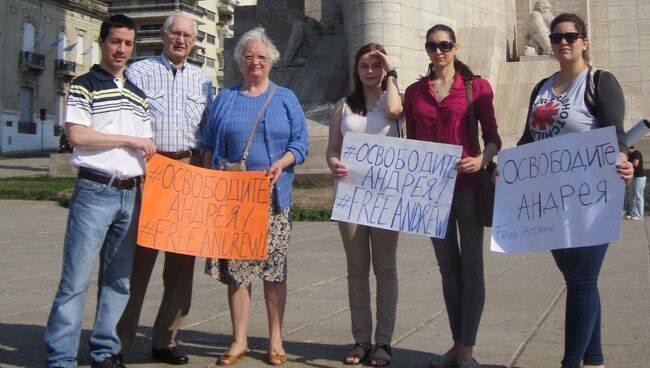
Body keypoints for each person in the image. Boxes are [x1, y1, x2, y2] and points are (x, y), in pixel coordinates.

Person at [517, 13, 634, 368]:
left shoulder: (599, 81)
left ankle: (570, 363)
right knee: (578, 279)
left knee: (582, 280)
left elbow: (615, 132)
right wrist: (505, 168)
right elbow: (528, 139)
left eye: (571, 36)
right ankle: (594, 360)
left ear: (584, 41)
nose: (563, 42)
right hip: (552, 201)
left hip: (591, 198)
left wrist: (624, 158)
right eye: (556, 38)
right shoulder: (541, 88)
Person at [43, 14, 156, 368]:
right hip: (96, 189)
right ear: (104, 42)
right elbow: (77, 135)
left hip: (131, 194)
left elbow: (146, 148)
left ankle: (105, 350)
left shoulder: (139, 95)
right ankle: (61, 356)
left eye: (128, 43)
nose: (122, 49)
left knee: (119, 280)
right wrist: (129, 138)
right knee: (75, 278)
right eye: (115, 42)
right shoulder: (84, 84)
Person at [200, 26, 308, 366]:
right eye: (249, 56)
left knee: (274, 270)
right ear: (239, 61)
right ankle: (239, 339)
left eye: (262, 57)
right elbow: (207, 143)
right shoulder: (225, 98)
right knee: (237, 271)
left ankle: (276, 338)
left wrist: (283, 162)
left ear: (272, 61)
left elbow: (300, 144)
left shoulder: (286, 98)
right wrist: (208, 185)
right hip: (233, 200)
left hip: (274, 198)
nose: (255, 62)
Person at [115, 12, 213, 366]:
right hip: (149, 171)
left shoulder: (204, 81)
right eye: (176, 33)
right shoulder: (139, 72)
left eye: (188, 36)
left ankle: (165, 339)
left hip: (188, 172)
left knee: (181, 264)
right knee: (137, 263)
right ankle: (119, 342)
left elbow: (206, 133)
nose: (181, 41)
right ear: (163, 34)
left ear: (195, 41)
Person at [404, 24, 501, 368]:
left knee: (472, 269)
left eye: (444, 45)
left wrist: (482, 158)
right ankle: (457, 345)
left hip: (468, 190)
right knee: (449, 272)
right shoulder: (414, 93)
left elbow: (492, 138)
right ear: (427, 49)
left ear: (456, 47)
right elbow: (412, 146)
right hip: (432, 195)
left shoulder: (476, 88)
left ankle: (466, 351)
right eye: (432, 46)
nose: (438, 51)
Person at [326, 43, 403, 367]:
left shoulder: (392, 101)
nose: (370, 72)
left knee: (385, 270)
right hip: (352, 195)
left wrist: (392, 73)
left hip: (386, 197)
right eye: (364, 66)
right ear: (356, 71)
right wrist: (333, 164)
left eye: (376, 66)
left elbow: (397, 113)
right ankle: (361, 340)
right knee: (356, 270)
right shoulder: (343, 107)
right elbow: (332, 148)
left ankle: (383, 342)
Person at [625, 145, 645, 220]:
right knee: (631, 195)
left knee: (639, 196)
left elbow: (635, 163)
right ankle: (632, 213)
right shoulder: (629, 154)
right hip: (632, 177)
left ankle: (640, 215)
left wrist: (628, 164)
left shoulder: (637, 153)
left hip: (639, 177)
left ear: (631, 148)